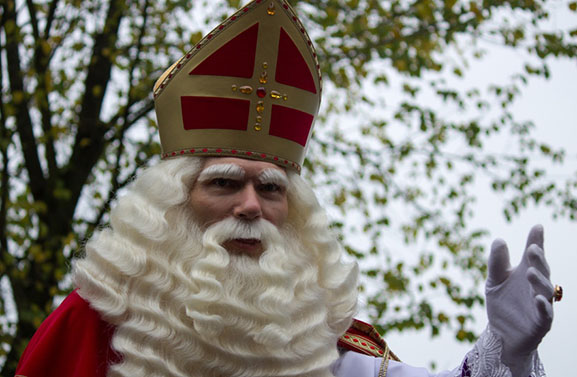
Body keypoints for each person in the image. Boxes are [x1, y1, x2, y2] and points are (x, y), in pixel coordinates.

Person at [15, 0, 560, 376]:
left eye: (272, 189)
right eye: (224, 183)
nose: (250, 206)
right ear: (172, 205)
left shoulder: (328, 350)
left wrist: (504, 353)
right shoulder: (91, 329)